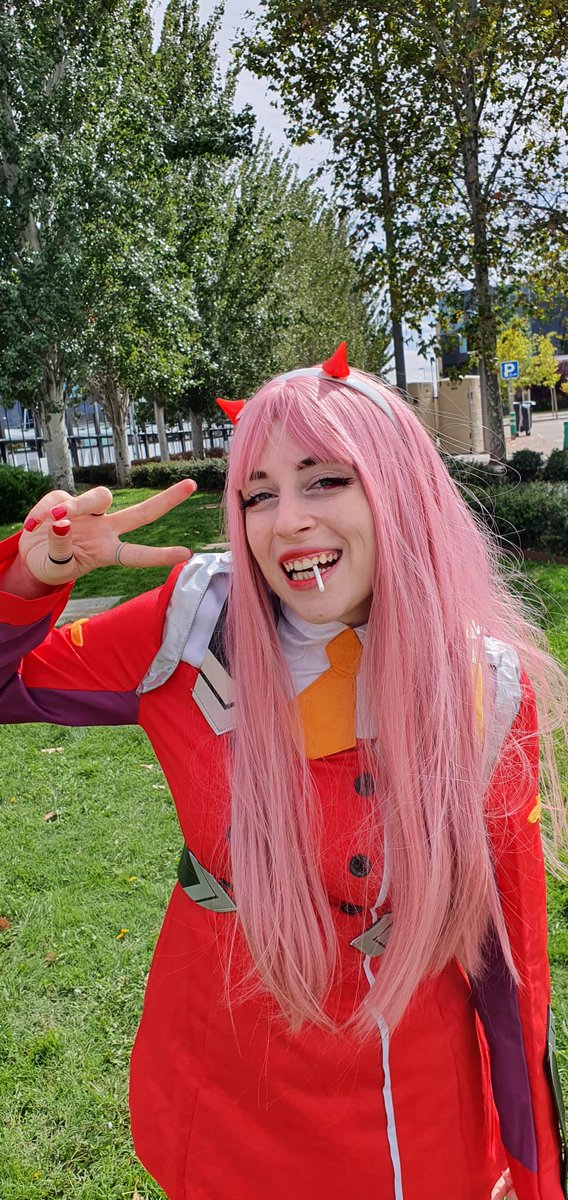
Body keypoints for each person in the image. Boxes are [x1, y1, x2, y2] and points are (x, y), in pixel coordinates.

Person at [1, 344, 566, 1200]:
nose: (286, 521)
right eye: (258, 494)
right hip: (217, 1085)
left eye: (325, 480)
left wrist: (536, 1176)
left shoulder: (483, 687)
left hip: (407, 1119)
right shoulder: (194, 625)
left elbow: (511, 971)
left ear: (398, 489)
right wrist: (34, 574)